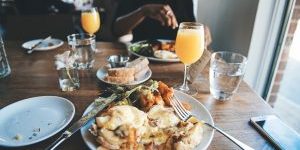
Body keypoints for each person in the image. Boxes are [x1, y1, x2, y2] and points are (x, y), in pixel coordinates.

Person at [113, 0, 212, 47]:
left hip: (177, 60)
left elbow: (191, 26)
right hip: (141, 58)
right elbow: (116, 30)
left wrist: (202, 31)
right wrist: (143, 11)